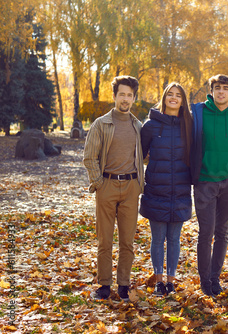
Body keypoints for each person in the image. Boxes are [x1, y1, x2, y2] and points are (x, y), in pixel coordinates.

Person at [83, 76, 144, 302]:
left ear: (134, 98)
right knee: (104, 239)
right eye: (122, 94)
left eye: (129, 95)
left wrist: (139, 183)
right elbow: (89, 157)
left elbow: (144, 156)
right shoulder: (101, 124)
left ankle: (124, 285)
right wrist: (99, 182)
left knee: (127, 241)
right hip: (106, 185)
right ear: (115, 96)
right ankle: (104, 285)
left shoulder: (138, 126)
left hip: (131, 187)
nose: (125, 99)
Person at [190, 74, 228, 296]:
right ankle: (204, 280)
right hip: (205, 180)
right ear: (211, 91)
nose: (221, 92)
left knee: (223, 232)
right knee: (206, 233)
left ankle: (216, 278)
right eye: (217, 88)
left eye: (225, 88)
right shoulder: (198, 112)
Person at [139, 82, 193, 297]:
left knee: (174, 238)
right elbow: (140, 155)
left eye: (178, 95)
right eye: (170, 94)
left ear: (182, 100)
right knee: (157, 237)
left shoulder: (188, 124)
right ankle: (158, 280)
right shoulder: (151, 126)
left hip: (180, 189)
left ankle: (171, 280)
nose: (173, 98)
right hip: (156, 189)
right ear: (164, 98)